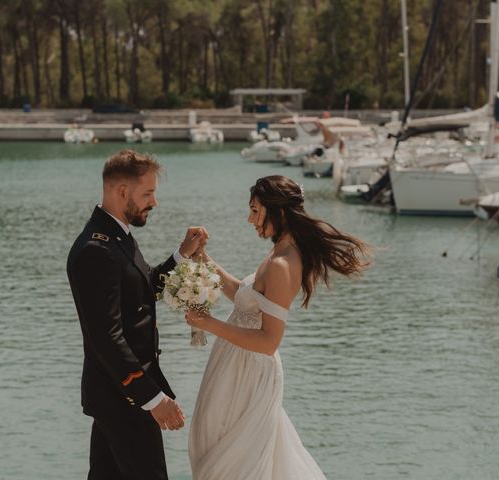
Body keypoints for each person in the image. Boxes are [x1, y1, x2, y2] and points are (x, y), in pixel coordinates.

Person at [185, 175, 370, 480]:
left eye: (256, 211)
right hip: (234, 367)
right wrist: (203, 258)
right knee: (217, 452)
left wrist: (208, 323)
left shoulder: (283, 264)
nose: (250, 219)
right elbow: (241, 297)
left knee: (231, 465)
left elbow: (269, 341)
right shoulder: (277, 254)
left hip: (249, 372)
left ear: (279, 211)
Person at [67, 149, 208, 480]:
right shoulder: (96, 250)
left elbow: (143, 291)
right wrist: (153, 399)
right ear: (121, 192)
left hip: (117, 397)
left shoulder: (117, 236)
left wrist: (181, 255)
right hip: (125, 399)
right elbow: (107, 337)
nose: (154, 202)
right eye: (148, 193)